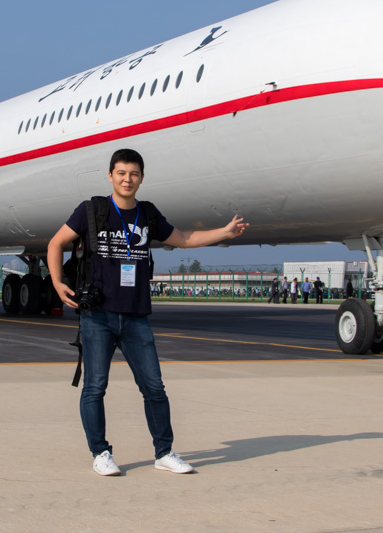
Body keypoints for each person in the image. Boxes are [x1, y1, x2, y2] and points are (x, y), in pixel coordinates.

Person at [47, 148, 249, 476]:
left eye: (134, 174)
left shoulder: (148, 214)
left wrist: (224, 233)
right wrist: (56, 282)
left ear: (142, 177)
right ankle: (100, 453)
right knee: (95, 386)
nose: (128, 179)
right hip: (97, 315)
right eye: (122, 173)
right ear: (111, 176)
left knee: (154, 387)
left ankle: (164, 452)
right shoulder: (91, 211)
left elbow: (183, 238)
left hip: (136, 315)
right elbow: (56, 243)